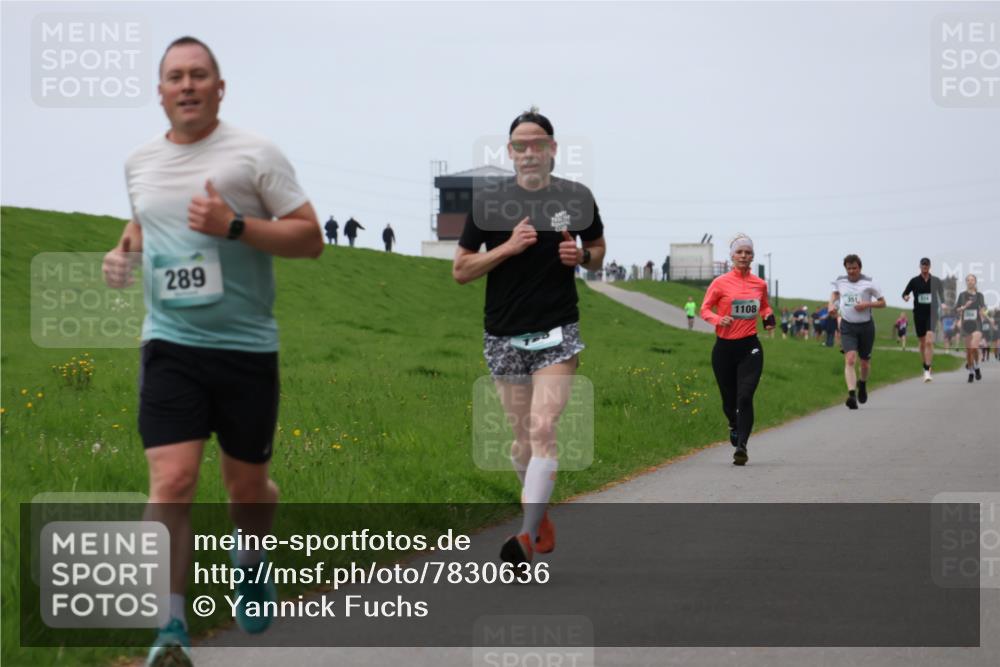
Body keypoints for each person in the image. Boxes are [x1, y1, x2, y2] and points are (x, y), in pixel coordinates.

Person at [102, 36, 323, 667]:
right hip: (170, 343)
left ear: (220, 88)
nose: (188, 85)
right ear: (160, 92)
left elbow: (310, 238)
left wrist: (234, 226)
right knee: (172, 481)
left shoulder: (255, 155)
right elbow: (144, 219)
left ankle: (250, 560)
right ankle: (169, 630)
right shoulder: (139, 162)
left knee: (247, 489)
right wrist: (123, 252)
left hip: (246, 348)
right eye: (175, 76)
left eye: (199, 75)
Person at [452, 107, 606, 565]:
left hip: (557, 332)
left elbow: (598, 251)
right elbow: (461, 270)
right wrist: (508, 247)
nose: (529, 152)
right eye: (520, 145)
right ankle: (539, 518)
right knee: (521, 441)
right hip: (503, 335)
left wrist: (581, 256)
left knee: (543, 428)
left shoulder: (576, 198)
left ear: (552, 149)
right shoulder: (489, 204)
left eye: (538, 143)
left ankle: (523, 536)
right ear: (510, 151)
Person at [700, 233, 775, 465]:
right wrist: (718, 319)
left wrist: (768, 317)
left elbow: (764, 307)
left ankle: (742, 446)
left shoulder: (759, 284)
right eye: (739, 252)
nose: (743, 256)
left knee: (745, 396)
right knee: (729, 400)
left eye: (748, 252)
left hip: (750, 346)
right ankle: (733, 424)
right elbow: (705, 309)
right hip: (724, 349)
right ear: (732, 256)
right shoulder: (720, 283)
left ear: (752, 256)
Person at [829, 255, 886, 409]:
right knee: (850, 359)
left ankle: (863, 383)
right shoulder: (840, 281)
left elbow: (883, 303)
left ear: (860, 267)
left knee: (865, 363)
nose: (852, 271)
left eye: (854, 268)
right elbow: (835, 294)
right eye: (849, 268)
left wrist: (866, 304)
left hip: (866, 327)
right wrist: (831, 305)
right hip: (847, 326)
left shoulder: (869, 282)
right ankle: (852, 395)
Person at [902, 257, 944, 381]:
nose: (925, 267)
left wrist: (944, 304)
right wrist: (906, 297)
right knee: (922, 342)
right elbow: (905, 293)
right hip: (919, 314)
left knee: (929, 341)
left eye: (927, 265)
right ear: (920, 266)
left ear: (929, 266)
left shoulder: (936, 281)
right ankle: (924, 364)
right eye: (923, 265)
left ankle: (927, 369)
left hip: (932, 313)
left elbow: (942, 295)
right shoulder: (914, 281)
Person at [954, 274, 993, 383]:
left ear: (975, 282)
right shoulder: (962, 295)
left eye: (972, 280)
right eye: (968, 280)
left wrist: (989, 318)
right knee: (968, 351)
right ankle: (972, 371)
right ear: (966, 282)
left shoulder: (979, 295)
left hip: (977, 325)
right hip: (966, 326)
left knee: (973, 347)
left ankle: (976, 366)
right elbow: (956, 309)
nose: (970, 282)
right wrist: (963, 308)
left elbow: (983, 310)